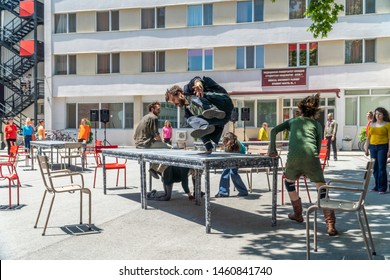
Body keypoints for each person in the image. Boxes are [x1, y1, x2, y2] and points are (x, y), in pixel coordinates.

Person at [268, 93, 338, 236]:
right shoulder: (317, 125)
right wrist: (310, 166)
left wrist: (273, 149)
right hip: (311, 158)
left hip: (293, 161)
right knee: (322, 188)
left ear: (300, 109)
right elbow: (318, 149)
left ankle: (298, 214)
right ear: (315, 111)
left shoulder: (292, 121)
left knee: (289, 183)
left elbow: (274, 130)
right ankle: (330, 224)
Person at [165, 76, 233, 154]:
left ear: (179, 93)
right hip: (223, 118)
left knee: (193, 98)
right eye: (172, 103)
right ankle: (205, 125)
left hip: (222, 103)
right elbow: (200, 132)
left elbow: (195, 79)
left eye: (174, 100)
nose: (175, 103)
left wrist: (198, 83)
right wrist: (208, 149)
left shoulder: (188, 89)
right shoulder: (188, 112)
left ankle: (213, 109)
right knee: (190, 120)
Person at [133, 101, 170, 179]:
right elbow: (156, 134)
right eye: (158, 109)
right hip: (146, 143)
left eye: (160, 109)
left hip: (139, 143)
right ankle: (157, 170)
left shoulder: (145, 116)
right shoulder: (154, 117)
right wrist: (163, 144)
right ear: (152, 109)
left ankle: (156, 169)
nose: (159, 111)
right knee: (170, 149)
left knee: (161, 149)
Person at [364, 107, 390, 194]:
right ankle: (377, 186)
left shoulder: (387, 124)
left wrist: (389, 151)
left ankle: (382, 187)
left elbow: (389, 139)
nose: (377, 115)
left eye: (379, 114)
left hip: (382, 147)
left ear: (383, 115)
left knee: (381, 167)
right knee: (374, 168)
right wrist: (366, 149)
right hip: (372, 147)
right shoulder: (371, 124)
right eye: (376, 114)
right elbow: (368, 138)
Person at [215, 132, 248, 197]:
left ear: (229, 140)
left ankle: (243, 191)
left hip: (240, 159)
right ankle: (223, 192)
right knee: (226, 171)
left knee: (233, 172)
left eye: (224, 141)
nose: (223, 142)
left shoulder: (237, 144)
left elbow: (238, 155)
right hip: (231, 159)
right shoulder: (228, 145)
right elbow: (226, 155)